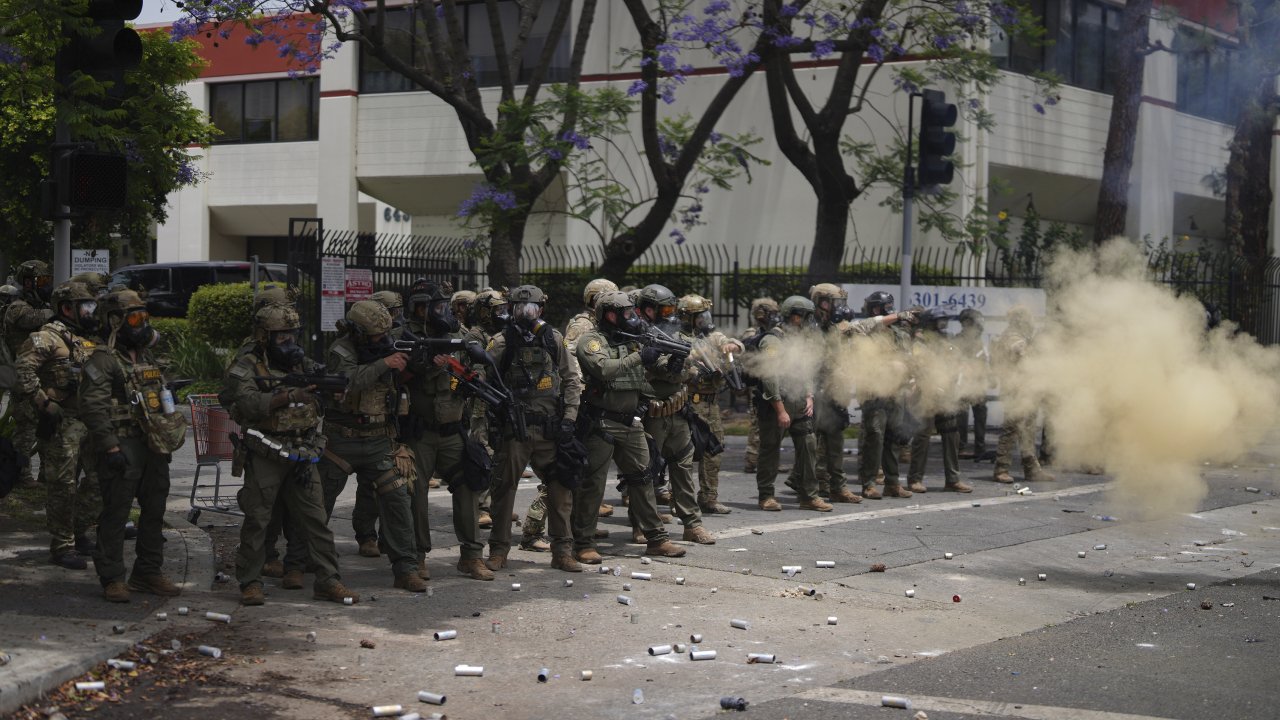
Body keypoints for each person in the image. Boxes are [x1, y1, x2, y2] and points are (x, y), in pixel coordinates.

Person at [222, 304, 358, 605]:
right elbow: (247, 404)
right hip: (266, 451)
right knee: (258, 519)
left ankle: (328, 579)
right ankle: (250, 582)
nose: (289, 341)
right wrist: (288, 396)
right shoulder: (247, 366)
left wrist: (334, 392)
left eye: (292, 335)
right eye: (281, 336)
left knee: (316, 519)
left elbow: (325, 385)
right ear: (263, 336)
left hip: (303, 451)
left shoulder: (301, 364)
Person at [81, 290, 186, 602]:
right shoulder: (103, 359)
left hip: (153, 445)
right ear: (115, 321)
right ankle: (112, 577)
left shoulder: (147, 357)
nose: (141, 325)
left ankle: (148, 571)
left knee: (155, 510)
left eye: (144, 317)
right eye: (134, 318)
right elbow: (93, 406)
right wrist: (110, 448)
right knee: (116, 512)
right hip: (123, 444)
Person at [318, 301, 425, 593]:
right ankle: (300, 561)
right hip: (340, 441)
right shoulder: (341, 351)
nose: (382, 340)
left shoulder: (386, 346)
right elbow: (347, 381)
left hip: (379, 439)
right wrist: (385, 363)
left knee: (398, 498)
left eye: (384, 335)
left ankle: (406, 568)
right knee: (318, 503)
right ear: (358, 333)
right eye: (376, 336)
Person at [479, 285, 584, 571]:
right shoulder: (501, 342)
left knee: (561, 489)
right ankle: (499, 550)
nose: (526, 314)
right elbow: (484, 384)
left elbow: (572, 379)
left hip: (551, 429)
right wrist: (491, 423)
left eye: (532, 309)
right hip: (515, 431)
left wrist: (569, 419)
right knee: (504, 489)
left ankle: (562, 551)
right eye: (519, 308)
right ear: (511, 310)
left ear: (541, 309)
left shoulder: (553, 339)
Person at [574, 291, 685, 561]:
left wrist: (673, 360)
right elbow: (604, 369)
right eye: (625, 313)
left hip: (631, 423)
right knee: (593, 483)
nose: (631, 317)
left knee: (643, 478)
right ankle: (583, 542)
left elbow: (655, 366)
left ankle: (656, 539)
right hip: (602, 422)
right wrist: (641, 357)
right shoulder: (592, 340)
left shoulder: (632, 341)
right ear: (609, 314)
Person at [403, 281, 494, 580]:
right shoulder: (405, 337)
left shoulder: (458, 335)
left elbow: (477, 365)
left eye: (442, 305)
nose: (439, 312)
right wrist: (428, 364)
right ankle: (416, 558)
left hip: (453, 428)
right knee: (415, 493)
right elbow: (397, 374)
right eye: (432, 307)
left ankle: (471, 556)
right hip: (420, 432)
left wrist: (469, 378)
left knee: (468, 484)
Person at [15, 281, 102, 569]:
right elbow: (24, 369)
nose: (92, 312)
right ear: (67, 308)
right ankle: (62, 545)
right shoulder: (47, 337)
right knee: (63, 486)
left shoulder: (87, 338)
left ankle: (80, 531)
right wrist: (43, 403)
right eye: (86, 306)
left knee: (100, 479)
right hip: (63, 422)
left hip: (91, 421)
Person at [635, 285, 715, 544]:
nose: (669, 314)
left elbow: (683, 370)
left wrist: (688, 366)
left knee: (682, 465)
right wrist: (677, 365)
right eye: (664, 309)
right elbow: (657, 369)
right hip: (652, 412)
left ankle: (692, 523)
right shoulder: (636, 334)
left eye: (671, 308)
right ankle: (640, 525)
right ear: (648, 309)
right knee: (646, 470)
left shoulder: (671, 332)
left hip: (677, 409)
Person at [752, 296, 832, 512]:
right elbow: (770, 377)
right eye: (806, 316)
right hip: (777, 404)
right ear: (796, 316)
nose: (809, 321)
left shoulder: (798, 340)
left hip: (799, 402)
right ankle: (766, 496)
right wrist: (780, 409)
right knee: (770, 450)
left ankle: (809, 496)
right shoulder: (772, 341)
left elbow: (804, 369)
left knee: (808, 446)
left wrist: (808, 395)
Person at [677, 293, 743, 515]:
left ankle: (708, 498)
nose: (705, 319)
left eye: (705, 315)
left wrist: (732, 346)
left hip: (711, 404)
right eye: (699, 316)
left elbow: (728, 342)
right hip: (690, 403)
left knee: (714, 450)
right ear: (688, 318)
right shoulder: (678, 338)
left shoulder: (711, 337)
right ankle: (679, 501)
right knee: (684, 453)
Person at [560, 278, 617, 523]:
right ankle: (537, 525)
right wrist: (581, 390)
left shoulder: (602, 324)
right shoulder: (582, 325)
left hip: (595, 400)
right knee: (573, 462)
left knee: (590, 464)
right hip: (581, 399)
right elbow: (570, 358)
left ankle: (583, 521)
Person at [854, 291, 918, 500]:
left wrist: (911, 382)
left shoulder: (899, 333)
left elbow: (907, 358)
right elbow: (876, 323)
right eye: (886, 307)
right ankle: (869, 483)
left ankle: (892, 483)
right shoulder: (867, 327)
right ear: (875, 309)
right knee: (875, 437)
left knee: (893, 438)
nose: (890, 310)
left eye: (892, 306)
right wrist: (900, 315)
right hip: (874, 392)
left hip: (895, 391)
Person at [804, 284, 863, 503]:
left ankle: (838, 487)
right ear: (819, 302)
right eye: (832, 302)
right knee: (812, 443)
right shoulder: (810, 328)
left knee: (836, 438)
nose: (837, 307)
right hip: (815, 392)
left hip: (835, 391)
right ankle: (812, 486)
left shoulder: (837, 328)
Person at [904, 308, 973, 493]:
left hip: (945, 395)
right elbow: (918, 366)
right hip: (926, 394)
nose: (943, 325)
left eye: (944, 322)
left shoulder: (945, 341)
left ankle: (953, 479)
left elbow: (957, 359)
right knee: (923, 436)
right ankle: (914, 479)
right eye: (939, 322)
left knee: (951, 434)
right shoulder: (920, 342)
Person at [5, 261, 55, 491]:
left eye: (46, 281)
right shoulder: (18, 306)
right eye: (41, 281)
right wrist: (53, 310)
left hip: (42, 376)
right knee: (25, 428)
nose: (45, 286)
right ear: (27, 282)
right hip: (23, 378)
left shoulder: (40, 305)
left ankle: (47, 474)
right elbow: (32, 319)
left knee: (48, 425)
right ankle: (21, 474)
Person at [991, 306, 1055, 484]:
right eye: (1027, 318)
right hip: (1015, 389)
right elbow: (1021, 353)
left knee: (1028, 430)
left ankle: (1032, 469)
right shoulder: (1012, 336)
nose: (1031, 321)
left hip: (1027, 388)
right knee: (1011, 429)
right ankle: (1001, 468)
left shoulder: (1024, 337)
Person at [740, 297, 779, 474]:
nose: (775, 316)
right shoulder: (752, 333)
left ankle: (762, 458)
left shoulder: (774, 332)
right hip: (756, 382)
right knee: (756, 421)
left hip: (768, 380)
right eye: (771, 313)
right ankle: (752, 459)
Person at [954, 308, 989, 459]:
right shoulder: (957, 341)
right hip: (964, 383)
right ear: (966, 323)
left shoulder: (978, 341)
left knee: (981, 414)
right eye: (975, 322)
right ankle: (961, 447)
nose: (979, 326)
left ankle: (979, 448)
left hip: (978, 383)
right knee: (962, 415)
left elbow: (983, 361)